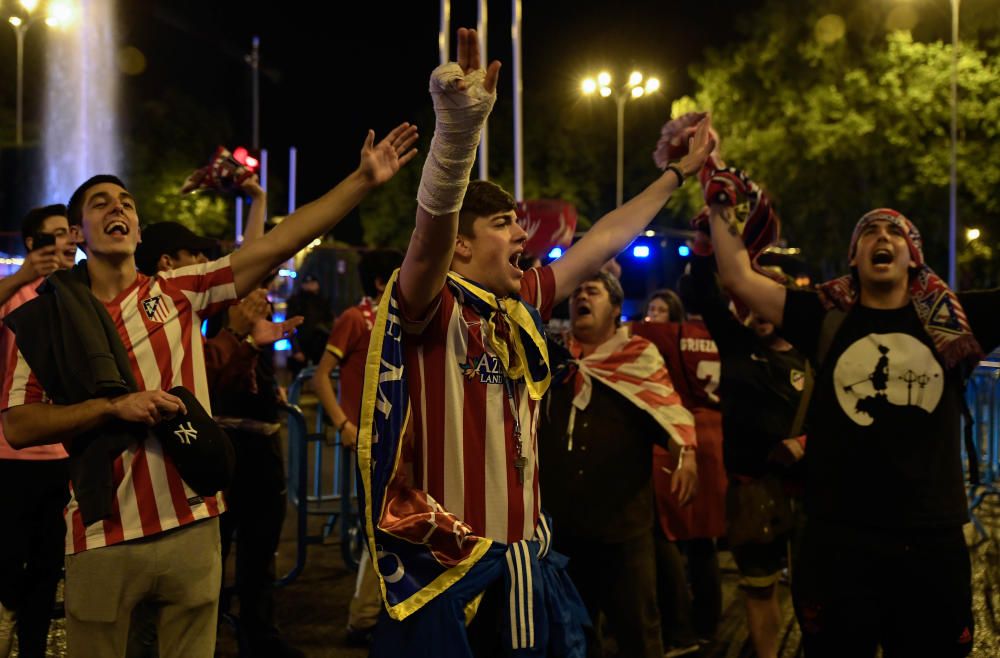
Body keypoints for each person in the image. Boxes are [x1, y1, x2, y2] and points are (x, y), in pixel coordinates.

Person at [357, 27, 715, 658]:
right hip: (447, 574)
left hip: (524, 562)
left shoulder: (520, 304)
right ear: (462, 246)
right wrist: (458, 134)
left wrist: (675, 176)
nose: (522, 234)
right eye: (504, 223)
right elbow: (429, 232)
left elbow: (602, 240)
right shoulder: (430, 304)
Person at [0, 121, 417, 658]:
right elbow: (17, 423)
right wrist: (111, 406)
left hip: (194, 523)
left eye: (125, 203)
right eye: (100, 203)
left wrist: (362, 180)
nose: (116, 209)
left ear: (140, 230)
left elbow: (278, 243)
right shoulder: (47, 320)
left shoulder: (178, 291)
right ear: (77, 233)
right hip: (101, 534)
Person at [709, 170, 1000, 656]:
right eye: (869, 231)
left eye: (895, 232)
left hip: (931, 540)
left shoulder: (955, 320)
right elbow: (738, 276)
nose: (882, 238)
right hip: (839, 540)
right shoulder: (824, 315)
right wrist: (719, 200)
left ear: (914, 256)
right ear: (854, 256)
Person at [134, 215, 305, 658]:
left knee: (258, 555)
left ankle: (256, 637)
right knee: (207, 558)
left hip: (257, 448)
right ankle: (204, 638)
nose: (207, 262)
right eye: (197, 255)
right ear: (169, 262)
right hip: (212, 453)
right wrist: (240, 337)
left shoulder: (212, 305)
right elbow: (205, 380)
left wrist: (253, 351)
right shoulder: (192, 311)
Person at [538, 272, 697, 658]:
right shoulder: (556, 361)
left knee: (638, 632)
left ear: (615, 309)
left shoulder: (637, 358)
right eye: (576, 292)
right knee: (571, 633)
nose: (581, 297)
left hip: (623, 529)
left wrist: (685, 453)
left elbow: (668, 414)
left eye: (592, 291)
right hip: (564, 530)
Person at [687, 255, 807, 658]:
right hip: (751, 494)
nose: (759, 311)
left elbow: (847, 413)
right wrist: (704, 250)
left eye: (768, 300)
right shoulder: (736, 343)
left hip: (810, 495)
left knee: (818, 593)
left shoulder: (815, 354)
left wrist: (806, 444)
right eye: (751, 302)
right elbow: (702, 292)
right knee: (759, 588)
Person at [311, 248, 403, 646]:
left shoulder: (402, 322)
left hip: (402, 441)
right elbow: (320, 378)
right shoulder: (355, 319)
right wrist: (343, 424)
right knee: (381, 528)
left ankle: (379, 612)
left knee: (397, 525)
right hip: (368, 441)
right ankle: (363, 618)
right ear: (383, 282)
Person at [0, 205, 78, 658]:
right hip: (10, 454)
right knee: (9, 564)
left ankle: (30, 646)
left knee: (50, 566)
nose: (65, 245)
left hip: (61, 454)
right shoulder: (15, 294)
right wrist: (22, 276)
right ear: (31, 245)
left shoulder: (73, 296)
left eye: (69, 237)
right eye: (52, 238)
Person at [632, 284, 726, 656]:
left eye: (659, 308)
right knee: (704, 541)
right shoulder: (715, 336)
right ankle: (708, 625)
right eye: (650, 307)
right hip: (715, 435)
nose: (652, 314)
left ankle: (684, 628)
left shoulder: (663, 337)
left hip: (681, 435)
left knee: (671, 536)